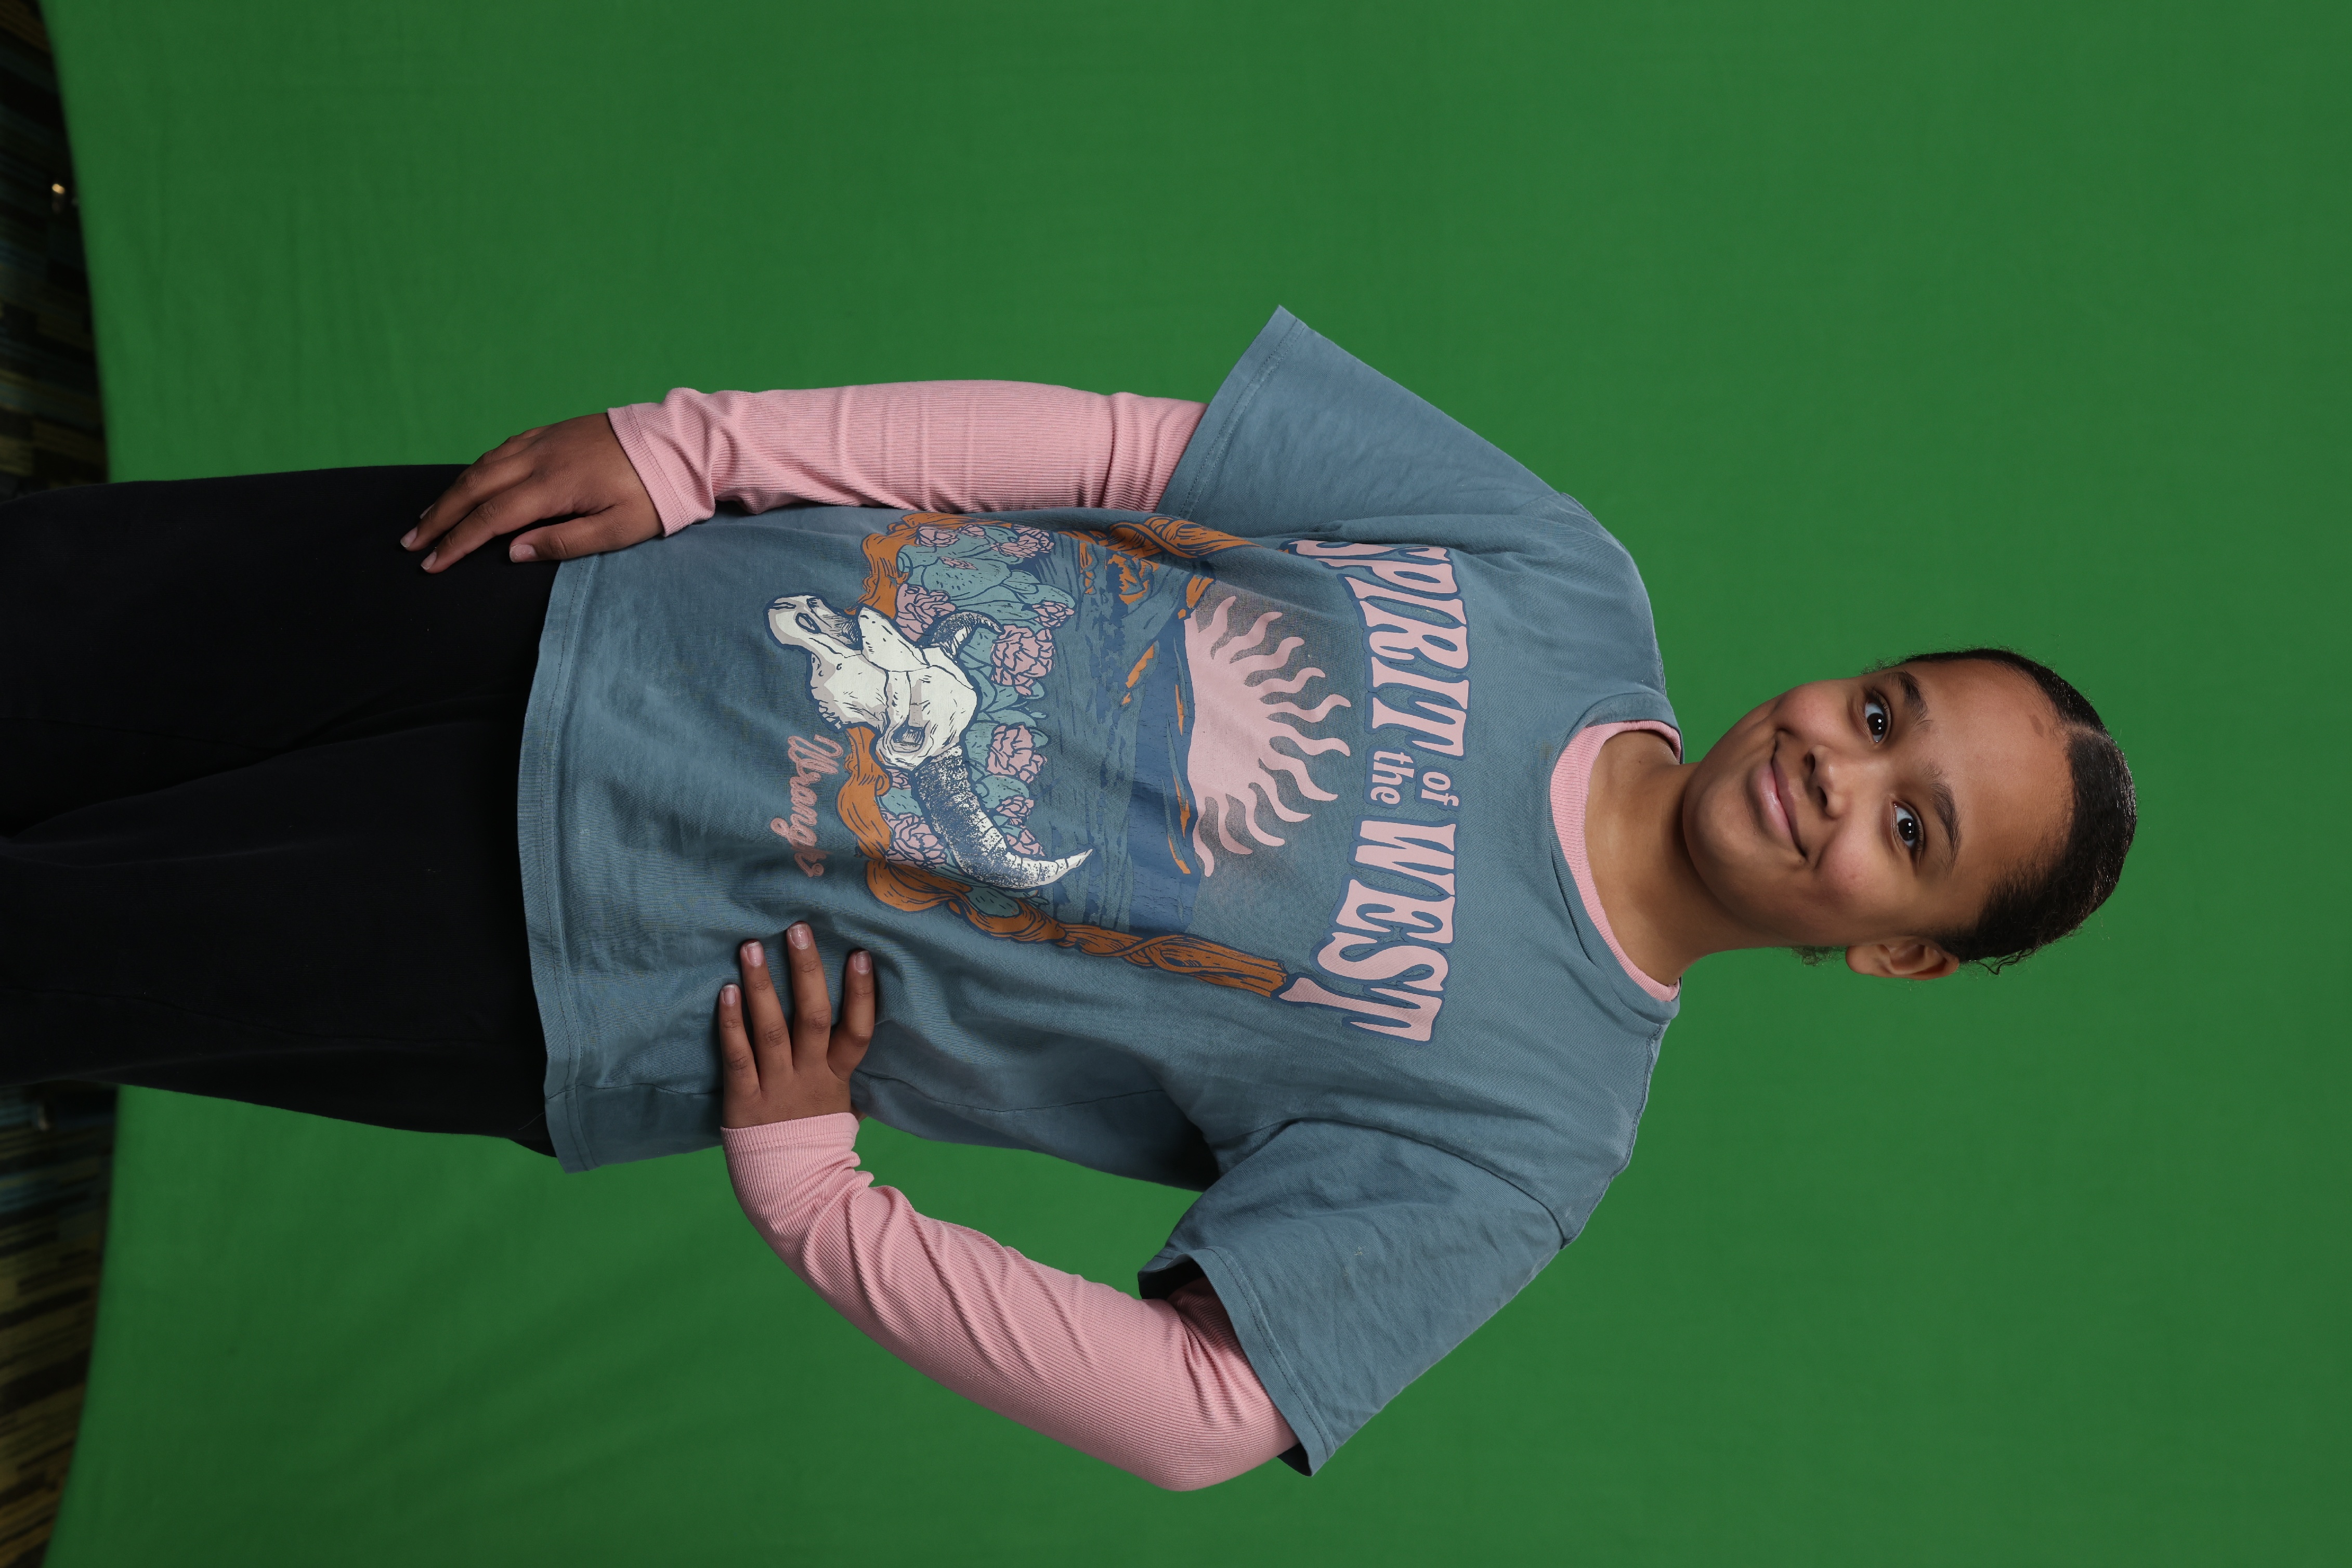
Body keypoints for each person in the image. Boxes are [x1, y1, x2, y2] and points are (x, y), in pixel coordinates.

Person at [0, 310, 2134, 1489]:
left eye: (1910, 826)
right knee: (46, 618)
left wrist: (817, 1198)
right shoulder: (1564, 579)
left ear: (1897, 949)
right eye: (1882, 709)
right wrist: (695, 444)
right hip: (592, 589)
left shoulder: (1530, 1132)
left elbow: (1206, 1413)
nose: (1837, 766)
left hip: (573, 935)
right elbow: (1127, 454)